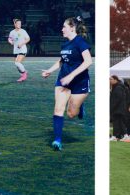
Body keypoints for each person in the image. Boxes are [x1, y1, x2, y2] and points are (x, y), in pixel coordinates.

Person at [41, 16, 92, 151]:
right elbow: (62, 60)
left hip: (79, 82)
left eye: (64, 27)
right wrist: (50, 71)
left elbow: (88, 62)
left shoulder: (80, 42)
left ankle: (80, 107)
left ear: (72, 28)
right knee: (58, 108)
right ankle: (57, 140)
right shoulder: (65, 44)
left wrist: (72, 76)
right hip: (63, 80)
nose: (62, 29)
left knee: (71, 114)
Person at [110, 75, 127, 141]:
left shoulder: (118, 87)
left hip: (118, 109)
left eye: (111, 79)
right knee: (118, 123)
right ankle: (117, 136)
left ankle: (121, 135)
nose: (110, 81)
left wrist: (112, 107)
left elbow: (118, 99)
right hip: (118, 109)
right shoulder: (116, 87)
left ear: (115, 80)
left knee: (119, 122)